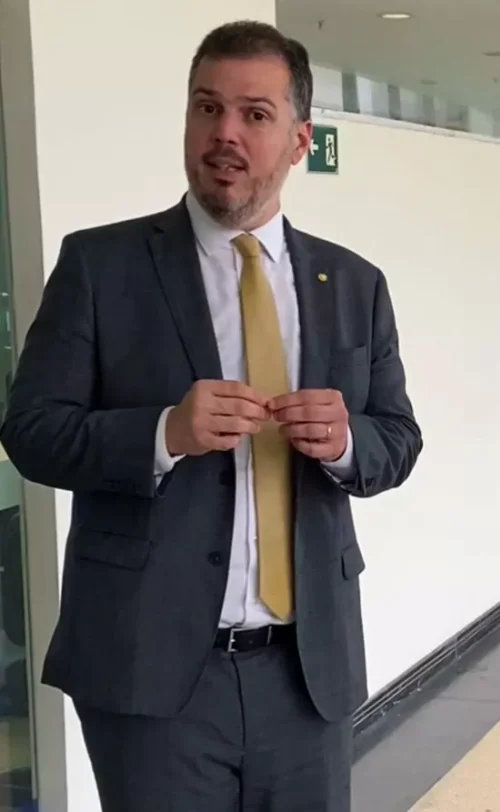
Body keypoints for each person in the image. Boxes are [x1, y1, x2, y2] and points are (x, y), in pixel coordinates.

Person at [0, 20, 421, 812]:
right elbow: (32, 432)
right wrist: (164, 432)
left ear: (299, 141)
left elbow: (397, 438)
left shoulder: (352, 284)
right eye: (207, 108)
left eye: (255, 114)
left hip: (307, 675)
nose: (225, 133)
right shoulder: (101, 266)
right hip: (150, 676)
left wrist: (345, 441)